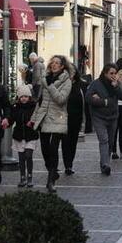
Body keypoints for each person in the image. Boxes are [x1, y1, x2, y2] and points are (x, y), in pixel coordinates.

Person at [30, 55, 73, 193]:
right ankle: (52, 171)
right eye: (52, 62)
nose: (54, 65)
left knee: (54, 149)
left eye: (57, 63)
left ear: (62, 66)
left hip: (58, 118)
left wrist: (50, 86)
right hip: (44, 117)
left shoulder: (67, 81)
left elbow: (61, 99)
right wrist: (34, 118)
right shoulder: (45, 79)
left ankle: (51, 181)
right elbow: (41, 101)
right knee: (44, 149)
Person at [88, 64, 122, 176]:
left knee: (110, 141)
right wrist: (103, 102)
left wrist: (116, 86)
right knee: (103, 140)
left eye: (115, 73)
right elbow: (88, 98)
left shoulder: (116, 83)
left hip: (113, 117)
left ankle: (104, 163)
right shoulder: (96, 84)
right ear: (105, 73)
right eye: (111, 73)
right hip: (99, 117)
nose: (113, 75)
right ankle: (106, 164)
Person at [10, 85, 38, 188]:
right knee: (21, 158)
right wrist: (6, 121)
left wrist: (33, 123)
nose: (24, 98)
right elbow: (11, 119)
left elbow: (38, 119)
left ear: (29, 97)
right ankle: (22, 177)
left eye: (26, 96)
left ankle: (30, 176)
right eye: (21, 96)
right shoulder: (15, 107)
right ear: (19, 97)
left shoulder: (34, 107)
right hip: (19, 136)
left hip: (31, 135)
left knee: (28, 155)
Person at [61, 67, 85, 176]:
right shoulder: (62, 84)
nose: (71, 74)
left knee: (73, 142)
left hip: (76, 118)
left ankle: (70, 163)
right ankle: (67, 165)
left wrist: (83, 121)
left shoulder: (81, 85)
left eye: (72, 72)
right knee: (65, 142)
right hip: (63, 118)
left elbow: (84, 103)